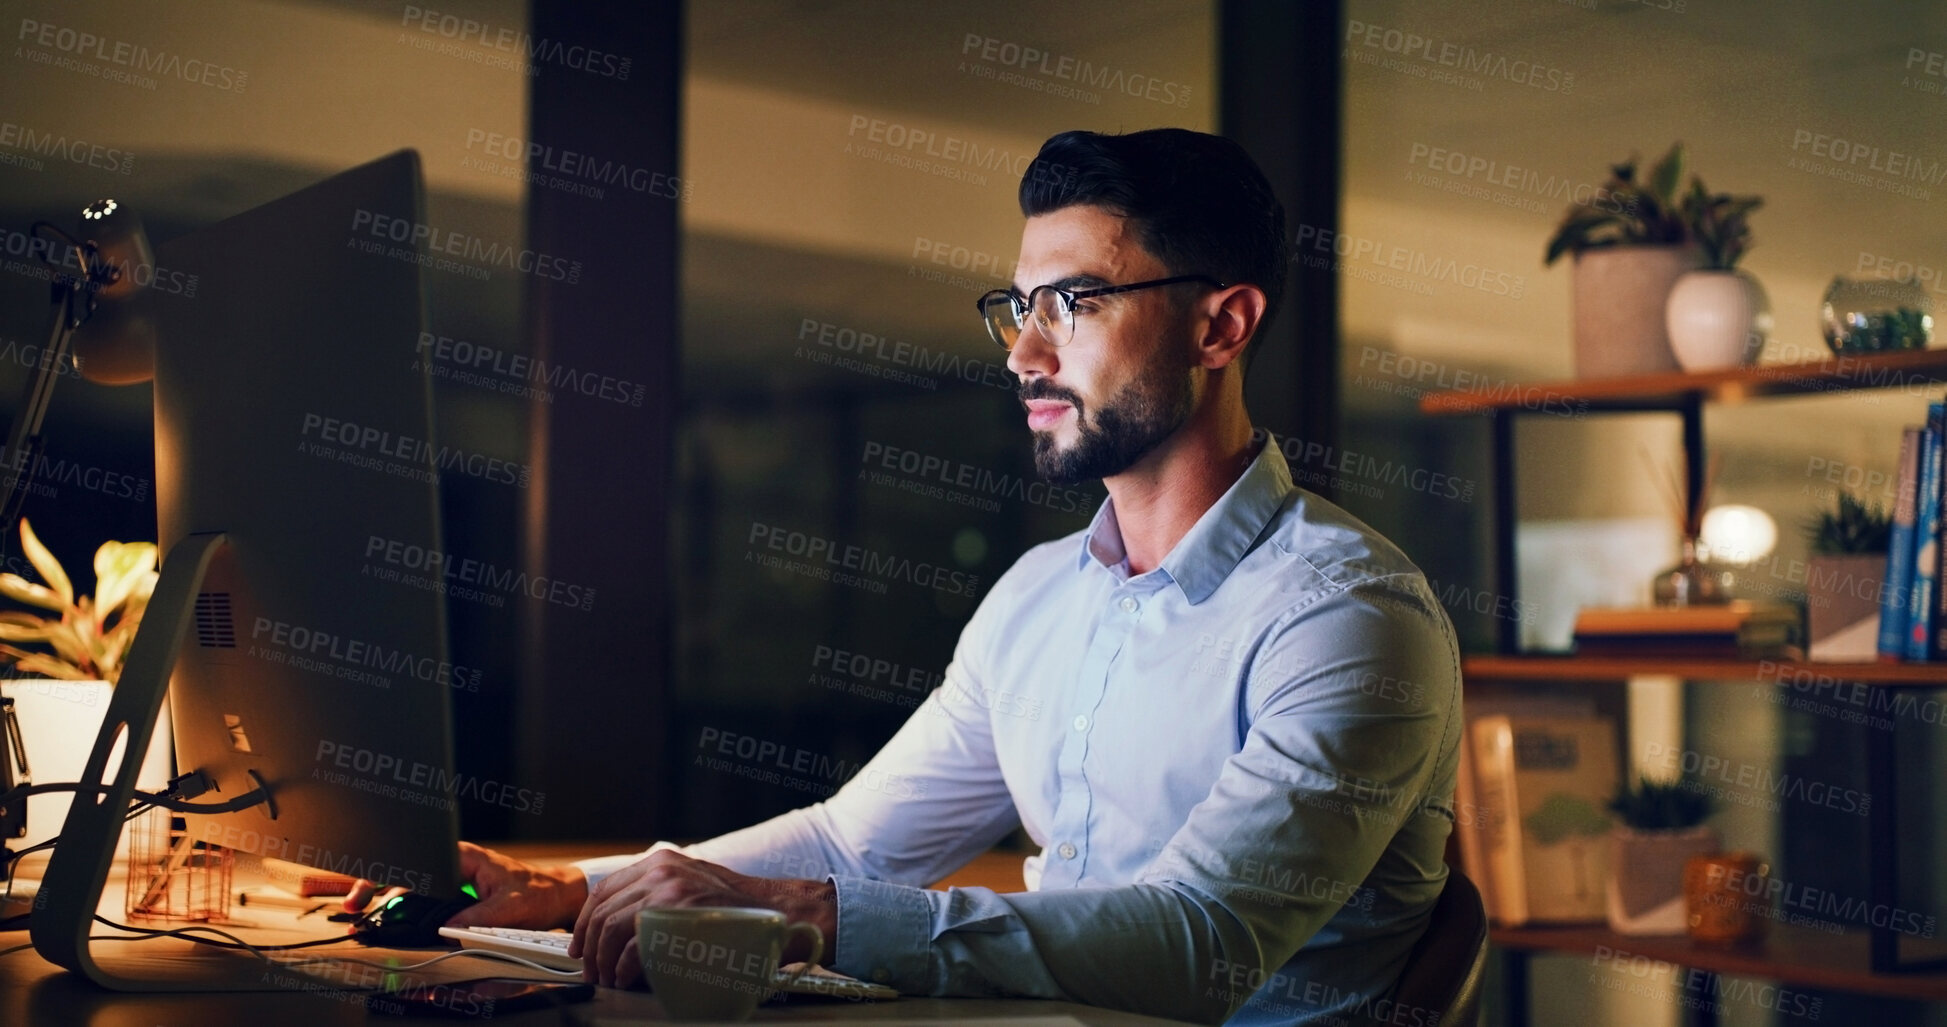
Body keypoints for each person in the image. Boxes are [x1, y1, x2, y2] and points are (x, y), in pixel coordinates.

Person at [349, 128, 1462, 1025]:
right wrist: (566, 891)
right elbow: (851, 840)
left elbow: (1200, 947)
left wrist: (805, 916)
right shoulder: (1038, 594)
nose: (1026, 353)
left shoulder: (1350, 618)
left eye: (1072, 304)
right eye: (1018, 308)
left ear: (1222, 326)